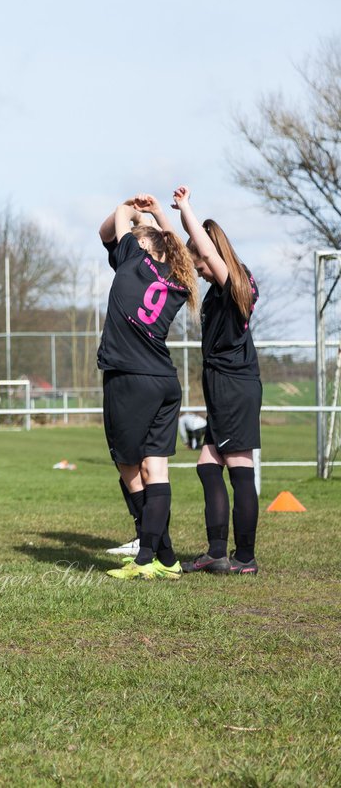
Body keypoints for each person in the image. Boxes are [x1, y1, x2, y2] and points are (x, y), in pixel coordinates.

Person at [97, 195, 198, 580]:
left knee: (128, 467)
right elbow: (169, 246)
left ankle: (145, 557)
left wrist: (133, 208)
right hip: (164, 381)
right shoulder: (178, 277)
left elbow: (114, 219)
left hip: (129, 378)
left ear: (141, 244)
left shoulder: (133, 259)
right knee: (156, 469)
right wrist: (156, 216)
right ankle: (167, 557)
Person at [173, 186, 262, 575]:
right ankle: (217, 551)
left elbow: (206, 252)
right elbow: (195, 250)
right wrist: (167, 216)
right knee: (209, 466)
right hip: (223, 387)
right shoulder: (217, 291)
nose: (199, 270)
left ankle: (244, 557)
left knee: (239, 466)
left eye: (202, 264)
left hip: (234, 387)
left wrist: (187, 206)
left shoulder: (234, 284)